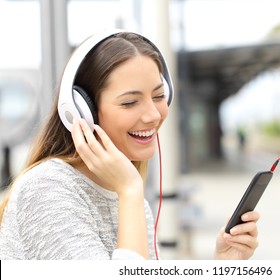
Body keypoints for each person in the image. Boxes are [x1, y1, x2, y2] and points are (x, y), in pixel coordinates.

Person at [0, 30, 259, 260]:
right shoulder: (47, 189)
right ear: (82, 110)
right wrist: (130, 191)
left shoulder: (127, 195)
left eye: (159, 96)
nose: (153, 115)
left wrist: (223, 266)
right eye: (129, 102)